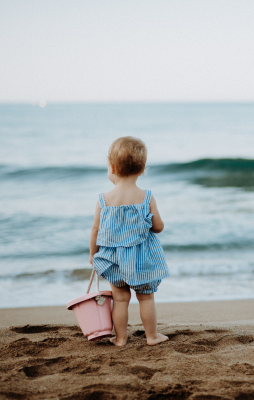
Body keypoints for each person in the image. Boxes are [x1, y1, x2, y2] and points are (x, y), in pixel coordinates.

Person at [89, 136, 170, 346]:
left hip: (115, 261)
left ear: (112, 168)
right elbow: (159, 227)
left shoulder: (103, 200)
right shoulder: (146, 197)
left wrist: (92, 254)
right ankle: (151, 336)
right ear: (142, 169)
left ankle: (121, 338)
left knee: (121, 300)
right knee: (146, 298)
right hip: (142, 260)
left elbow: (96, 230)